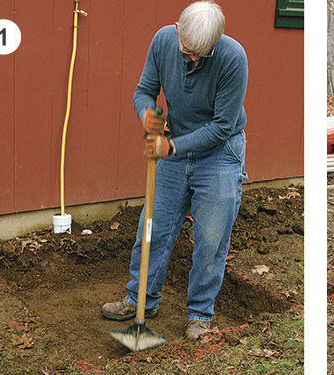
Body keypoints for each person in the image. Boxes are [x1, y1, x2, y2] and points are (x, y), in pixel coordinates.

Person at [101, 0, 248, 339]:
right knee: (152, 230)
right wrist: (147, 113)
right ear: (178, 29)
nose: (189, 58)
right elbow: (143, 91)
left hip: (219, 154)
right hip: (175, 147)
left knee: (210, 239)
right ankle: (141, 299)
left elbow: (223, 125)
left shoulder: (232, 59)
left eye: (198, 54)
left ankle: (199, 315)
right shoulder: (164, 41)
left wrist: (172, 146)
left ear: (215, 42)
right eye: (186, 49)